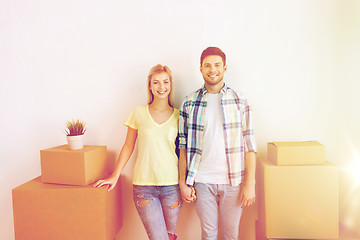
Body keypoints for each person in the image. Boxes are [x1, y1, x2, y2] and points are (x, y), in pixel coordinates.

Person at [93, 64, 181, 240]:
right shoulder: (138, 112)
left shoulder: (179, 116)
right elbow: (128, 146)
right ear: (149, 86)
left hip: (172, 187)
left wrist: (187, 183)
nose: (161, 87)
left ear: (170, 85)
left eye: (165, 82)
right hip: (144, 188)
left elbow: (184, 152)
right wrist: (115, 175)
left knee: (169, 236)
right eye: (156, 82)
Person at [178, 47, 257, 240]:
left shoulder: (240, 100)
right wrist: (183, 182)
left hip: (233, 182)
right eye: (207, 65)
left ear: (224, 67)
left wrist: (251, 184)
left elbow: (250, 145)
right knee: (209, 235)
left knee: (231, 235)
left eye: (217, 65)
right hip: (202, 181)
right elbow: (183, 146)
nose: (212, 70)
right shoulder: (189, 102)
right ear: (201, 68)